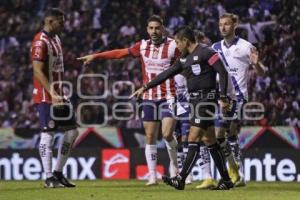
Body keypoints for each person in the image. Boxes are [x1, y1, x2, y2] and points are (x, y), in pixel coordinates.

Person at [77, 15, 179, 185]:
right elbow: (120, 53)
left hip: (169, 95)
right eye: (151, 28)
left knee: (167, 134)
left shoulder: (173, 46)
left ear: (163, 28)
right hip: (148, 97)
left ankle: (174, 166)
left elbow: (189, 57)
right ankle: (152, 175)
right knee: (150, 136)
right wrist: (96, 56)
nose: (154, 31)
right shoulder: (142, 46)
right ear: (147, 29)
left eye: (157, 28)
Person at [131, 26, 234, 190]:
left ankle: (181, 178)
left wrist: (223, 96)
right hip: (195, 101)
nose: (177, 46)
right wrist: (145, 87)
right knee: (209, 140)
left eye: (178, 43)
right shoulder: (184, 59)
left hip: (205, 100)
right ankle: (227, 180)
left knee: (192, 138)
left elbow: (222, 72)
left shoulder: (207, 53)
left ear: (186, 41)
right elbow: (166, 74)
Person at [197, 13, 266, 188]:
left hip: (237, 97)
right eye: (221, 24)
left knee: (220, 134)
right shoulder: (214, 47)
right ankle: (237, 173)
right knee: (228, 137)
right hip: (218, 97)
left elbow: (262, 72)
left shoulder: (246, 47)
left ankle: (234, 173)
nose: (223, 27)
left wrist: (257, 64)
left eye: (226, 24)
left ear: (235, 25)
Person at [31, 8, 79, 188]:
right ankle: (48, 176)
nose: (64, 24)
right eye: (61, 21)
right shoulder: (40, 42)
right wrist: (52, 92)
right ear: (50, 22)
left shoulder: (56, 39)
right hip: (46, 95)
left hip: (59, 94)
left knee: (72, 132)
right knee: (48, 134)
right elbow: (37, 70)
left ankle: (58, 173)